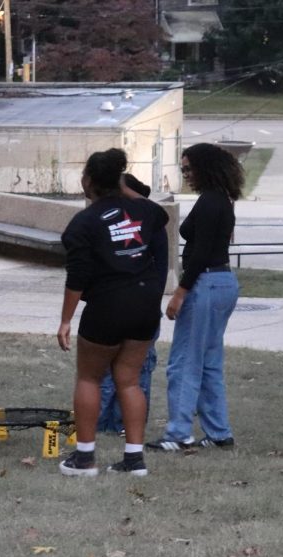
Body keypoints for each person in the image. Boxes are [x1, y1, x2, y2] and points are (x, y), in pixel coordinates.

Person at [57, 148, 170, 477]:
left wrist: (65, 320)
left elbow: (76, 279)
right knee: (130, 380)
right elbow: (157, 212)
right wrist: (124, 188)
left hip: (106, 308)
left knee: (89, 377)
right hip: (145, 307)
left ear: (87, 181)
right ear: (120, 180)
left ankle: (84, 458)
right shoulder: (146, 213)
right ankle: (134, 460)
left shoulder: (83, 224)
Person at [147, 143, 243, 454]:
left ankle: (178, 433)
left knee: (184, 362)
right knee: (209, 362)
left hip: (205, 283)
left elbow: (199, 253)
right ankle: (218, 433)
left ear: (205, 167)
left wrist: (179, 292)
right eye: (183, 169)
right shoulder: (222, 201)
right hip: (223, 283)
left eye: (188, 168)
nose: (185, 174)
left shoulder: (210, 202)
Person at [97, 173, 164, 435]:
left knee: (138, 367)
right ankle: (104, 422)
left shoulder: (149, 222)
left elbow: (159, 267)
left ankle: (126, 423)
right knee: (108, 367)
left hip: (143, 302)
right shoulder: (110, 223)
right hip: (117, 302)